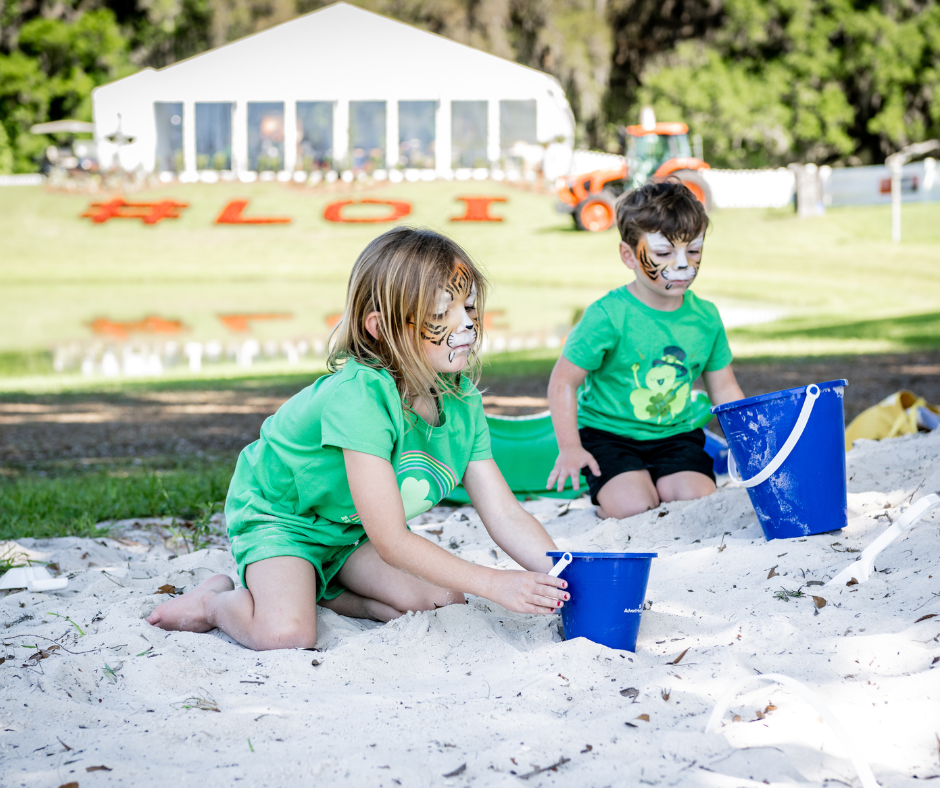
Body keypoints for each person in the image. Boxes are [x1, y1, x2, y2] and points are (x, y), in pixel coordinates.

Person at [148, 227, 569, 650]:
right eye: (444, 310)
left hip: (351, 534)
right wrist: (495, 583)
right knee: (287, 634)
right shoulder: (360, 397)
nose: (465, 324)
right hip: (285, 521)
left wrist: (566, 575)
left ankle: (319, 588)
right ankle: (214, 602)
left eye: (470, 306)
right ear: (380, 328)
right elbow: (392, 539)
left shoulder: (462, 402)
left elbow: (505, 514)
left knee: (443, 600)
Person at [546, 180, 745, 519]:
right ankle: (627, 486)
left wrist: (748, 442)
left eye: (694, 251)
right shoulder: (607, 315)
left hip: (677, 437)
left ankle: (660, 479)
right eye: (664, 253)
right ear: (629, 255)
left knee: (695, 502)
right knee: (634, 507)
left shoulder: (706, 318)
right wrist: (570, 448)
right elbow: (564, 381)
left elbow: (724, 387)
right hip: (609, 437)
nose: (683, 264)